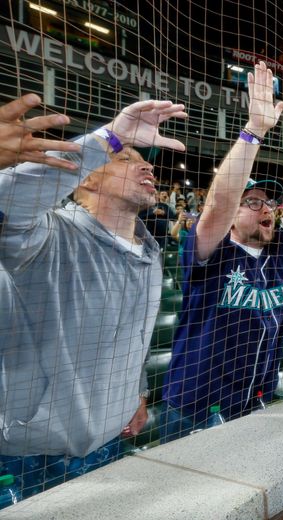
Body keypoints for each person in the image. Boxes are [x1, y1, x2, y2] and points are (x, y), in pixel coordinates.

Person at [0, 98, 187, 500]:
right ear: (84, 178)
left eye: (143, 160)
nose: (147, 166)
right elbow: (7, 202)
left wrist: (133, 394)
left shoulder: (149, 252)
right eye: (124, 160)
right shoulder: (44, 237)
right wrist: (111, 139)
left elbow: (130, 338)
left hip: (112, 447)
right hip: (29, 462)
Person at [161, 63, 283, 441]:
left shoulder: (280, 250)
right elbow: (219, 202)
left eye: (268, 202)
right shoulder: (212, 248)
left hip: (253, 402)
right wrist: (254, 131)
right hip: (194, 409)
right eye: (251, 202)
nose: (266, 209)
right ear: (232, 215)